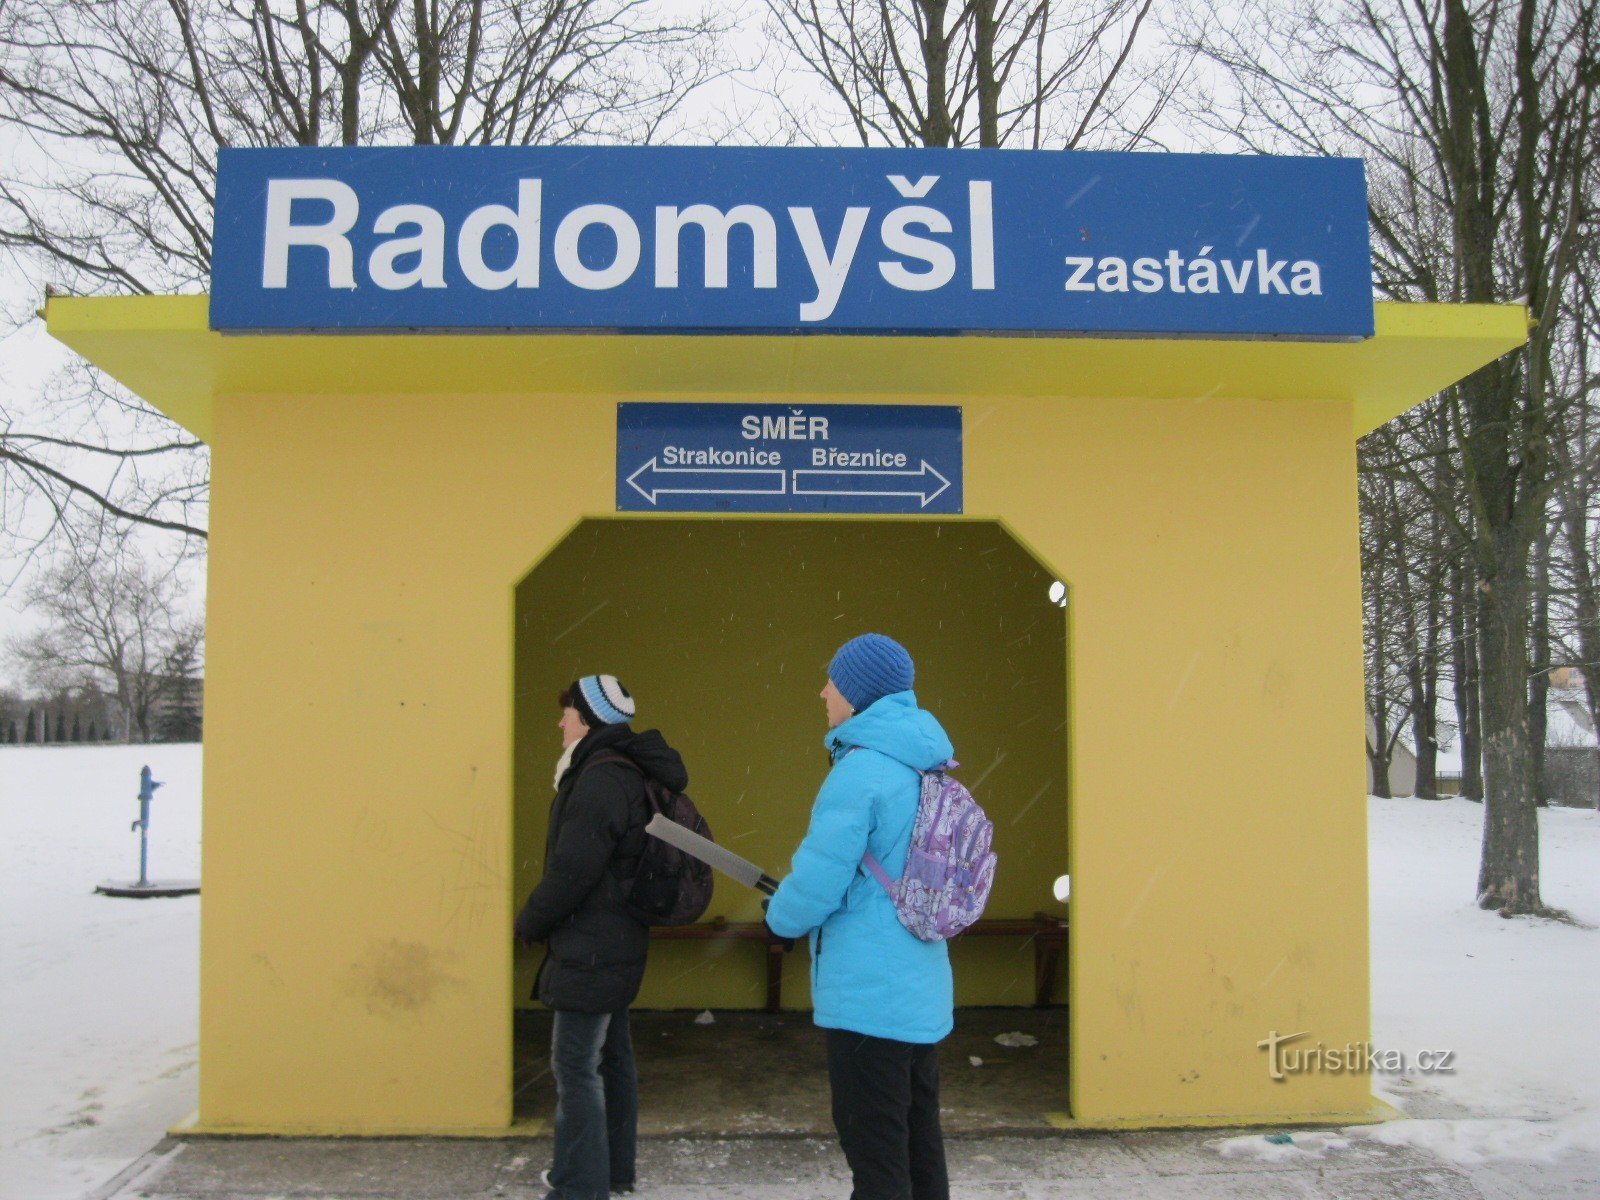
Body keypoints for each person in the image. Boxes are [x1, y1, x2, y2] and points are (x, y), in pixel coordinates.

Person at [763, 634, 954, 1200]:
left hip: (869, 998)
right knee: (920, 1144)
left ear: (859, 693)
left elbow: (820, 879)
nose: (824, 691)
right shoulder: (927, 764)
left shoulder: (861, 772)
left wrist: (778, 917)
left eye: (834, 682)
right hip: (920, 990)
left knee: (875, 1154)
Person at [514, 674, 688, 1200]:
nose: (561, 722)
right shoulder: (622, 771)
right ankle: (611, 1173)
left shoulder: (598, 780)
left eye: (567, 713)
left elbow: (572, 871)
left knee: (575, 1066)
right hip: (615, 942)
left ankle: (579, 1187)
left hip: (591, 946)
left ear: (587, 719)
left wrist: (530, 920)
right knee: (610, 1061)